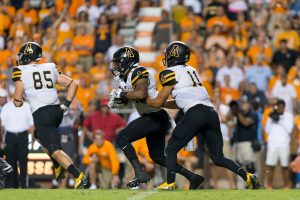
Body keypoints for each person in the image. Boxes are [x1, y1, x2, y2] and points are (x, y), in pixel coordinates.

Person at [146, 41, 260, 190]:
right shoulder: (191, 70)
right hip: (211, 113)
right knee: (218, 157)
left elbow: (158, 102)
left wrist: (142, 98)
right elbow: (182, 99)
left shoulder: (169, 72)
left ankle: (170, 183)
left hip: (195, 113)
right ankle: (248, 176)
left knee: (171, 148)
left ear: (174, 56)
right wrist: (163, 103)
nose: (166, 58)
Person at [109, 46, 204, 189]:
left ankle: (139, 173)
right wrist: (118, 102)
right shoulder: (126, 78)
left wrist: (121, 95)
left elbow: (141, 94)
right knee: (157, 156)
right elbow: (131, 97)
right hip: (155, 117)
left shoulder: (139, 72)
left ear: (126, 61)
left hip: (155, 116)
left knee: (122, 138)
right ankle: (193, 177)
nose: (116, 66)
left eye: (118, 62)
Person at [12, 42, 87, 189]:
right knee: (38, 135)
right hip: (57, 111)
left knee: (54, 149)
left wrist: (21, 102)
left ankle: (78, 175)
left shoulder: (20, 70)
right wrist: (66, 104)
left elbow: (16, 101)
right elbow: (73, 84)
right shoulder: (50, 66)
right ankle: (57, 165)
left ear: (27, 56)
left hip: (42, 113)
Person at [1, 100, 33, 188]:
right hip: (10, 137)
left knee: (23, 162)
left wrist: (33, 139)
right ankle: (12, 186)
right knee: (11, 163)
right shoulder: (7, 107)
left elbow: (31, 124)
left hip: (23, 136)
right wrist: (1, 140)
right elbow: (2, 125)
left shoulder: (27, 106)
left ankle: (23, 186)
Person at [265, 99, 294, 189]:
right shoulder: (272, 116)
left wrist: (279, 119)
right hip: (272, 144)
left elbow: (289, 129)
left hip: (283, 144)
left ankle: (287, 185)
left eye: (282, 107)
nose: (280, 109)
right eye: (278, 107)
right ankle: (269, 186)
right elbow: (267, 130)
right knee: (270, 165)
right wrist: (271, 118)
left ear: (284, 107)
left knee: (285, 166)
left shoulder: (288, 116)